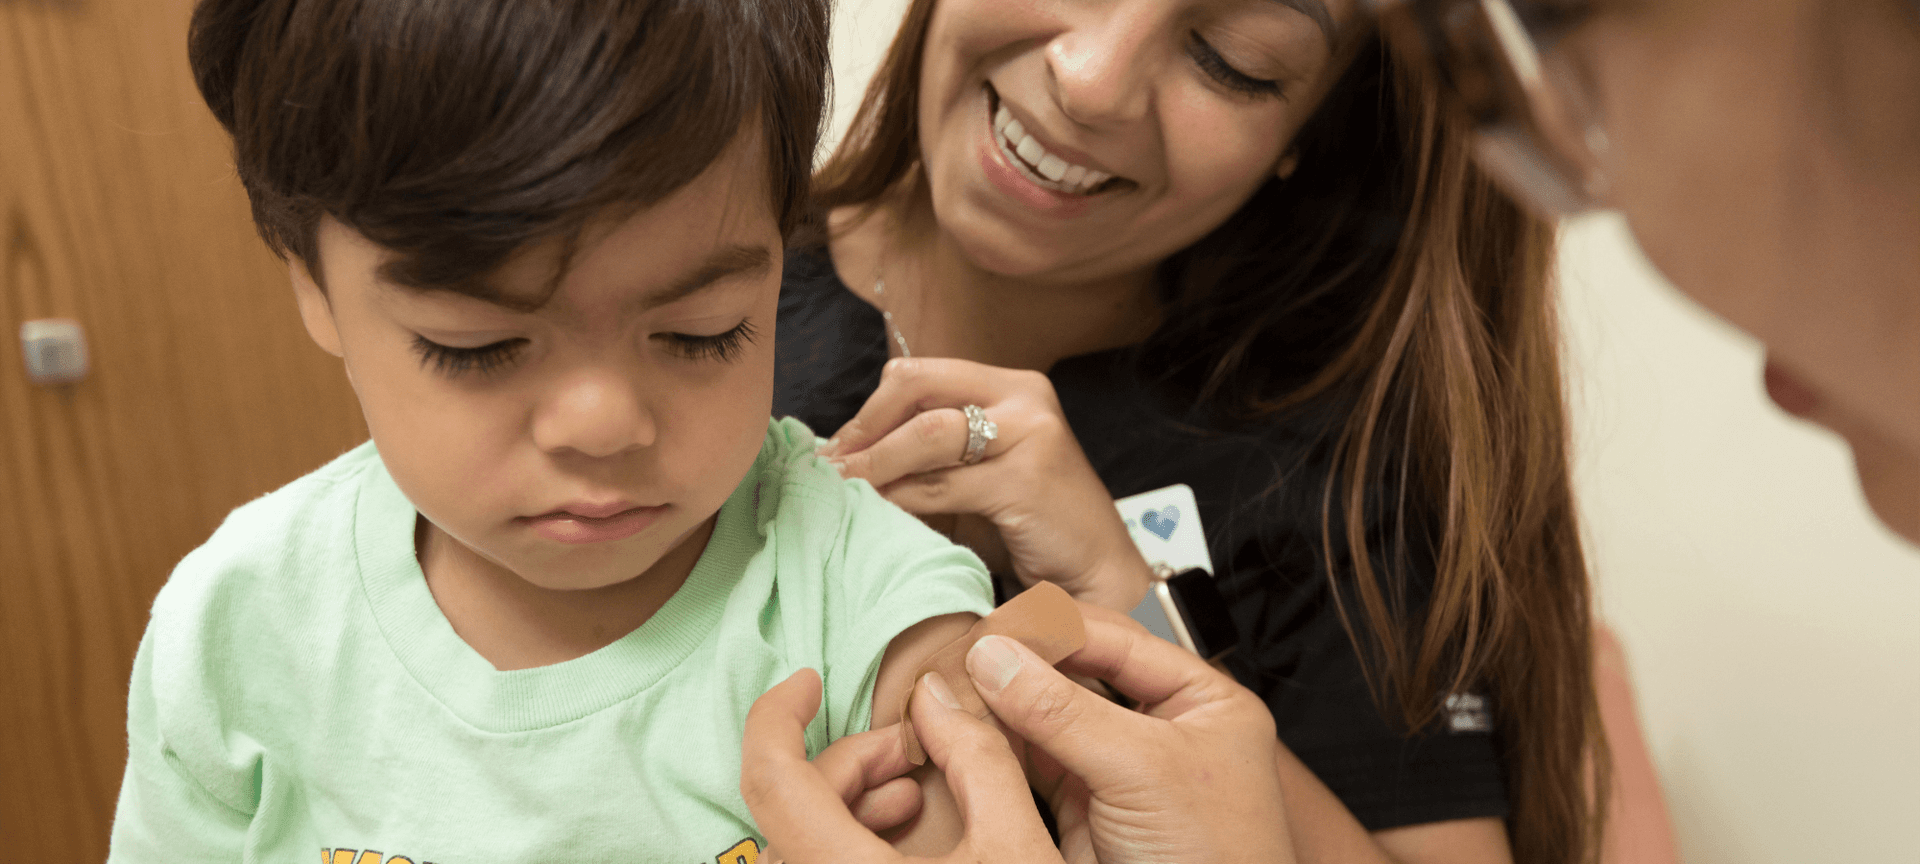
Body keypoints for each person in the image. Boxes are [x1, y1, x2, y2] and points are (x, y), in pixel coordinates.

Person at [742, 0, 1919, 860]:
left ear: (1307, 130)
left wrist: (1127, 593)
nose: (1092, 77)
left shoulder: (1335, 470)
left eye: (1231, 60)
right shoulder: (687, 278)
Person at [108, 0, 1000, 859]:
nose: (605, 427)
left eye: (702, 331)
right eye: (482, 347)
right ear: (312, 282)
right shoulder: (238, 627)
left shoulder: (863, 597)